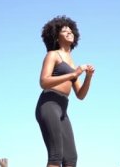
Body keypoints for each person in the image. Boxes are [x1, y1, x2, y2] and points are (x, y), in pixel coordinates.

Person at [35, 15, 95, 167]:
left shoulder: (72, 62)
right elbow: (44, 81)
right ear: (56, 36)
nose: (69, 33)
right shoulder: (53, 55)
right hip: (49, 104)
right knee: (56, 156)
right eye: (64, 31)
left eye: (71, 31)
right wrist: (73, 74)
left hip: (63, 109)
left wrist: (88, 77)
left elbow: (80, 95)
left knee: (71, 159)